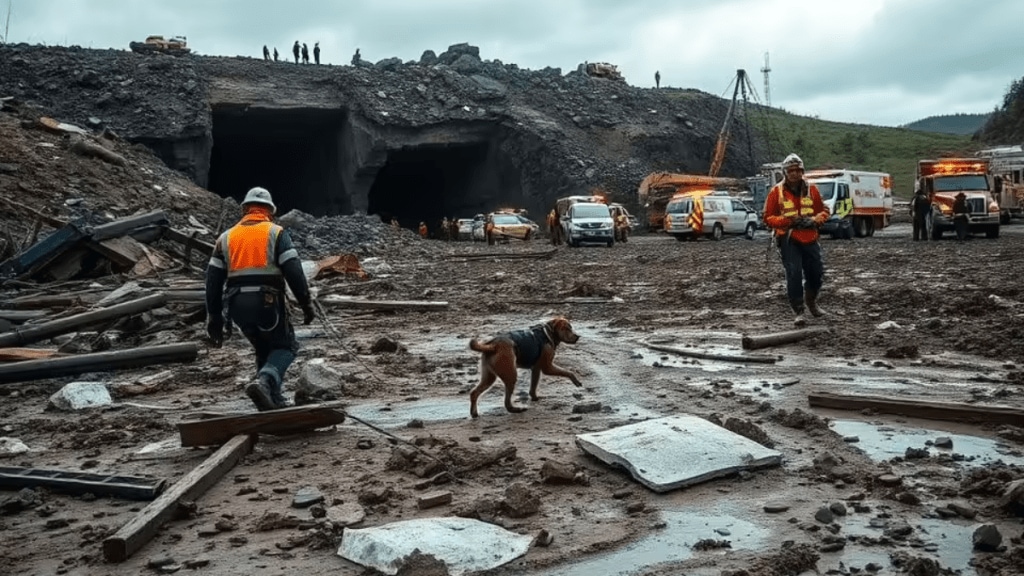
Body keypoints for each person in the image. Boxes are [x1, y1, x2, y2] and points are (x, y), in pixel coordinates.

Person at [205, 187, 315, 411]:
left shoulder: (225, 238)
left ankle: (271, 399)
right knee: (286, 347)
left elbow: (213, 281)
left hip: (237, 305)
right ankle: (264, 382)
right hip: (267, 302)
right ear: (270, 211)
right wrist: (306, 304)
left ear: (244, 209)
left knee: (263, 347)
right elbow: (293, 271)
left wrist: (214, 318)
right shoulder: (276, 233)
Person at [762, 153, 830, 327]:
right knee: (794, 274)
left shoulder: (812, 190)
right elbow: (767, 217)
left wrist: (814, 220)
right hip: (789, 238)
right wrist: (787, 221)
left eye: (798, 170)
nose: (794, 173)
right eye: (791, 170)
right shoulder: (776, 192)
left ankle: (812, 302)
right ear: (785, 172)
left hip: (810, 237)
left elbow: (824, 211)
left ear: (802, 171)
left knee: (816, 273)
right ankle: (799, 311)